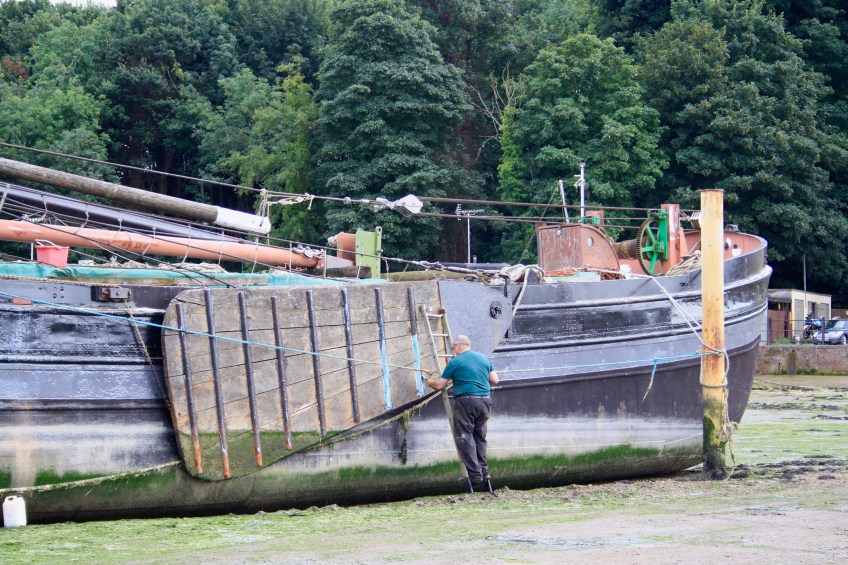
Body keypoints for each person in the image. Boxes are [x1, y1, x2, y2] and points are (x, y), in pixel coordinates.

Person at [423, 334, 498, 490]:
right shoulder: (483, 358)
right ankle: (485, 473)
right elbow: (494, 380)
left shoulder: (455, 361)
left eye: (453, 347)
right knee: (480, 437)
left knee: (464, 436)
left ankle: (475, 476)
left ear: (458, 345)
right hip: (485, 401)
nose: (453, 350)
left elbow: (439, 385)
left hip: (466, 401)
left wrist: (428, 382)